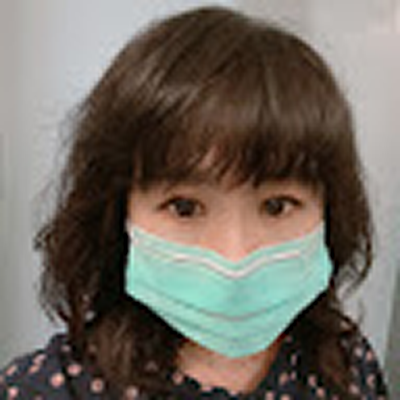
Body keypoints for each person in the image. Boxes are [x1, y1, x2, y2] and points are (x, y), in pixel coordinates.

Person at [0, 5, 389, 399]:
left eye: (277, 205)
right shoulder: (44, 390)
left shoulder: (348, 365)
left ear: (330, 210)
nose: (235, 257)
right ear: (118, 211)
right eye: (184, 207)